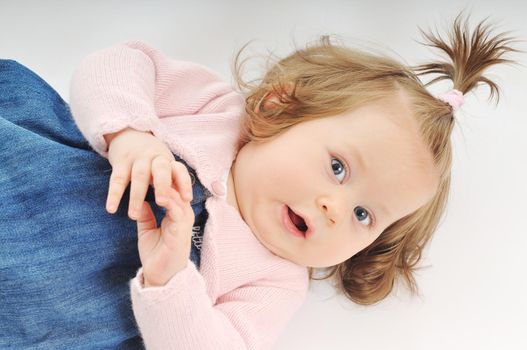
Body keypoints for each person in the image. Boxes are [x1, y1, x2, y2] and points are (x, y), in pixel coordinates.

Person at [0, 13, 517, 349]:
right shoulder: (217, 112)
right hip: (29, 179)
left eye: (365, 214)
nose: (336, 208)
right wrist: (131, 133)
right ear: (278, 107)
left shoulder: (273, 281)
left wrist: (170, 279)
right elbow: (120, 64)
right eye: (337, 168)